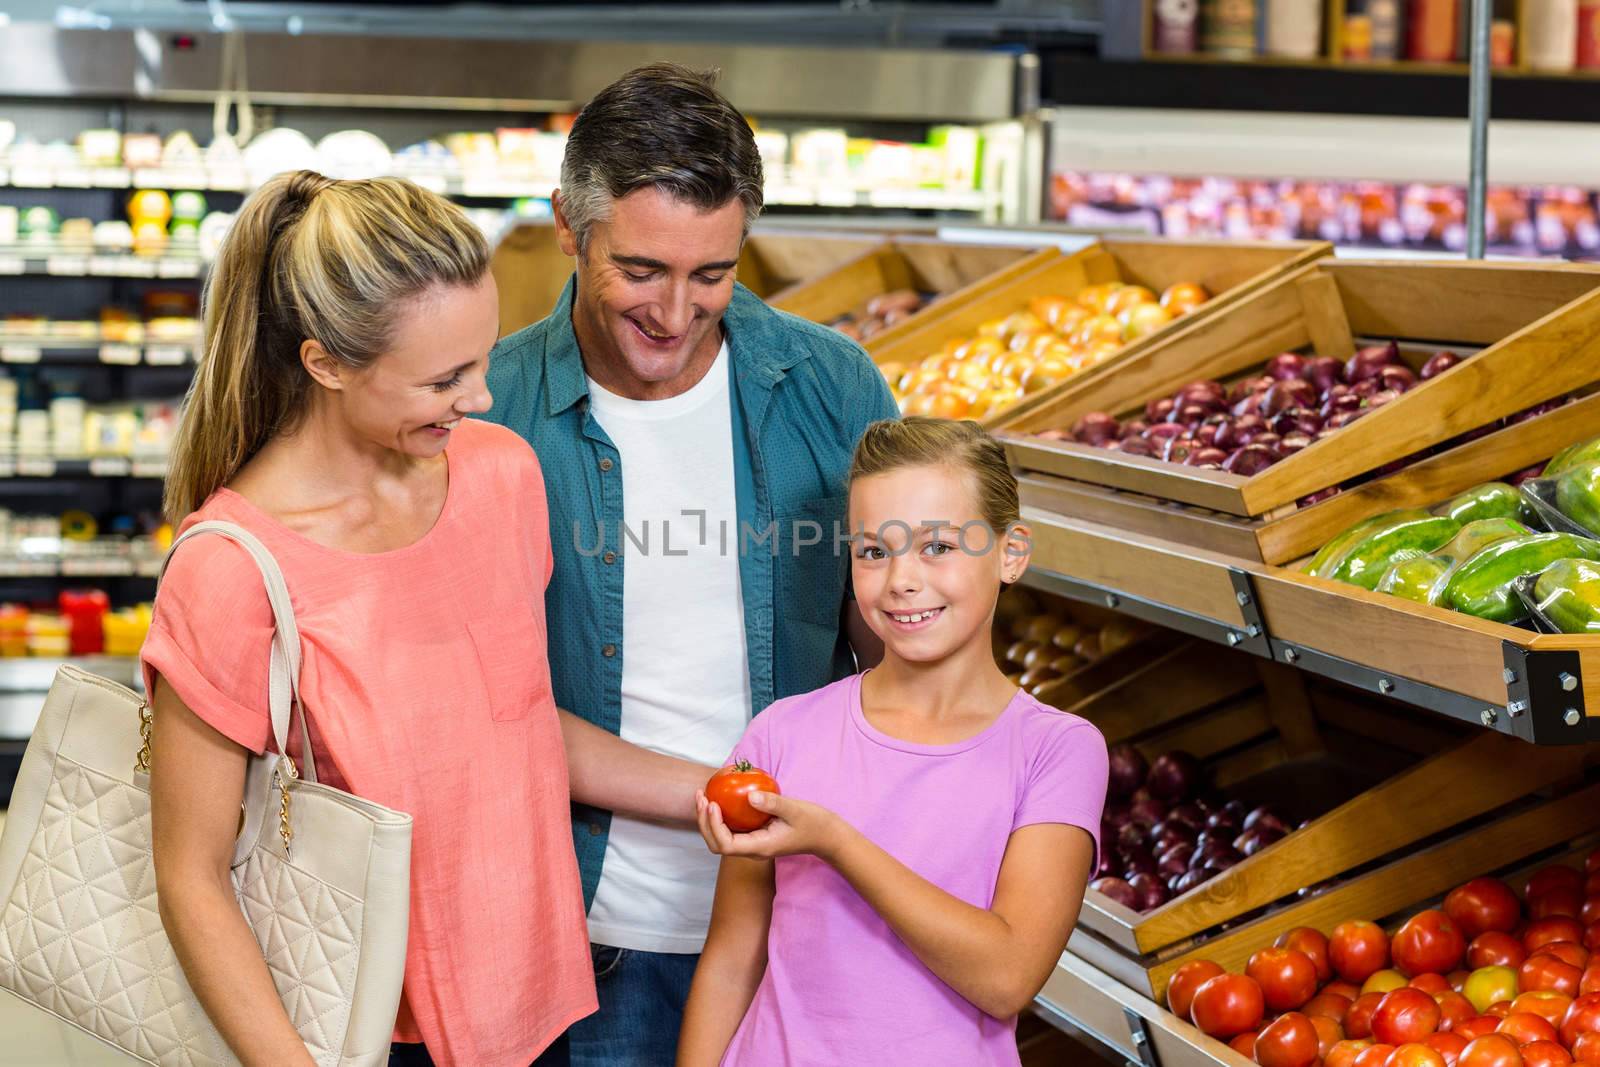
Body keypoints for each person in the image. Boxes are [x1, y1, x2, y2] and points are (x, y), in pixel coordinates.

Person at [478, 62, 900, 1065]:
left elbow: (890, 648)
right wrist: (718, 789)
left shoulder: (831, 382)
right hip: (589, 941)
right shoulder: (487, 413)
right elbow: (479, 703)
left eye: (712, 273)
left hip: (803, 930)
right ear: (568, 229)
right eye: (641, 270)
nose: (675, 311)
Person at [143, 170, 601, 1067]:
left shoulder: (502, 477)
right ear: (327, 363)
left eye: (485, 357)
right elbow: (189, 876)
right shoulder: (233, 569)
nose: (483, 397)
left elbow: (515, 724)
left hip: (535, 1007)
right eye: (445, 378)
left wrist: (717, 783)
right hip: (353, 1033)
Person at [678, 417, 1109, 1067]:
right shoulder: (782, 732)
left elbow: (1007, 976)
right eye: (874, 551)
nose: (901, 579)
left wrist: (834, 838)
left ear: (1011, 551)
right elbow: (732, 958)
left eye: (937, 546)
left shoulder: (1058, 750)